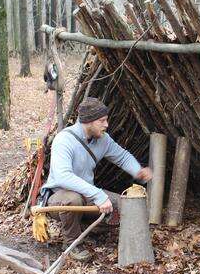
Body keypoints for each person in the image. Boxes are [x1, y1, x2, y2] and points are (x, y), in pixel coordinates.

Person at [41, 97, 152, 249]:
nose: (106, 125)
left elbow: (122, 156)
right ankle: (72, 244)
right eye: (102, 120)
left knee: (124, 205)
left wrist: (137, 170)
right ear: (89, 121)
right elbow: (63, 176)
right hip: (60, 197)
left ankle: (89, 229)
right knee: (72, 200)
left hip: (87, 194)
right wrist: (98, 195)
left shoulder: (103, 139)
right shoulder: (64, 140)